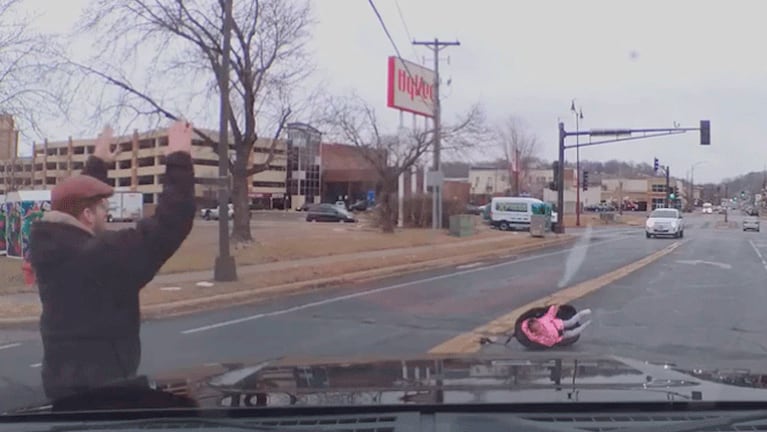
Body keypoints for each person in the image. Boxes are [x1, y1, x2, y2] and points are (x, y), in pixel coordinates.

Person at [27, 120, 196, 400]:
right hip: (106, 395)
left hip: (59, 385)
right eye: (103, 208)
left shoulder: (49, 244)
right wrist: (179, 157)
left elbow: (76, 202)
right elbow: (171, 224)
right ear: (88, 216)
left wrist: (97, 164)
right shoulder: (100, 257)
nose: (107, 214)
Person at [522, 305, 592, 347]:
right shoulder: (539, 337)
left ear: (538, 321)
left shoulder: (543, 320)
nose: (540, 327)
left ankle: (583, 313)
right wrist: (555, 339)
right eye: (537, 328)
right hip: (559, 336)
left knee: (571, 321)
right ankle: (585, 325)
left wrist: (554, 308)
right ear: (534, 332)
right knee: (572, 333)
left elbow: (549, 315)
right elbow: (547, 343)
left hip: (559, 324)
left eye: (538, 325)